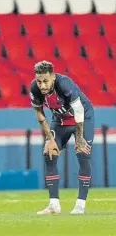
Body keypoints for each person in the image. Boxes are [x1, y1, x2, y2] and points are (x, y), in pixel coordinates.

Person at [29, 60, 94, 215]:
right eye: (39, 81)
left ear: (53, 77)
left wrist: (79, 138)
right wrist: (50, 140)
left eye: (45, 81)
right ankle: (54, 204)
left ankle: (80, 204)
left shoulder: (65, 84)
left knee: (82, 153)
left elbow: (78, 111)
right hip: (59, 120)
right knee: (49, 153)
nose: (42, 85)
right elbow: (40, 114)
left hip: (83, 119)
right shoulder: (34, 88)